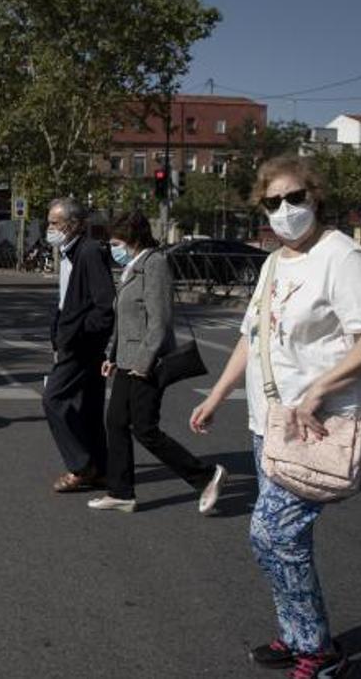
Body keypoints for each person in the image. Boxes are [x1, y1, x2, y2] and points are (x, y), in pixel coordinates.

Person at [189, 156, 361, 677]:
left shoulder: (342, 257)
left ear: (316, 198)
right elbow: (250, 337)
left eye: (295, 198)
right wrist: (216, 396)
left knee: (273, 533)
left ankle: (320, 652)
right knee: (284, 539)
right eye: (273, 201)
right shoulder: (274, 263)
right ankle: (299, 635)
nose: (285, 210)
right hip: (269, 424)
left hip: (317, 422)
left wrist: (319, 390)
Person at [88, 212, 226, 513]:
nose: (113, 249)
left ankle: (205, 476)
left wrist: (144, 361)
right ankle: (121, 492)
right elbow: (125, 320)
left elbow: (159, 320)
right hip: (126, 361)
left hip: (144, 364)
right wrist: (112, 356)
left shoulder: (155, 265)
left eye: (116, 242)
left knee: (144, 429)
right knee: (115, 423)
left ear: (133, 239)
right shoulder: (133, 268)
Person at [44, 198, 116, 493]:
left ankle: (81, 466)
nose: (49, 228)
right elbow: (66, 302)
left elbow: (104, 305)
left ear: (73, 225)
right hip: (74, 340)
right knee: (88, 407)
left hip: (82, 345)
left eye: (54, 223)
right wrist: (57, 334)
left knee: (54, 399)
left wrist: (79, 335)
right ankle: (100, 468)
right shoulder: (68, 253)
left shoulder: (88, 253)